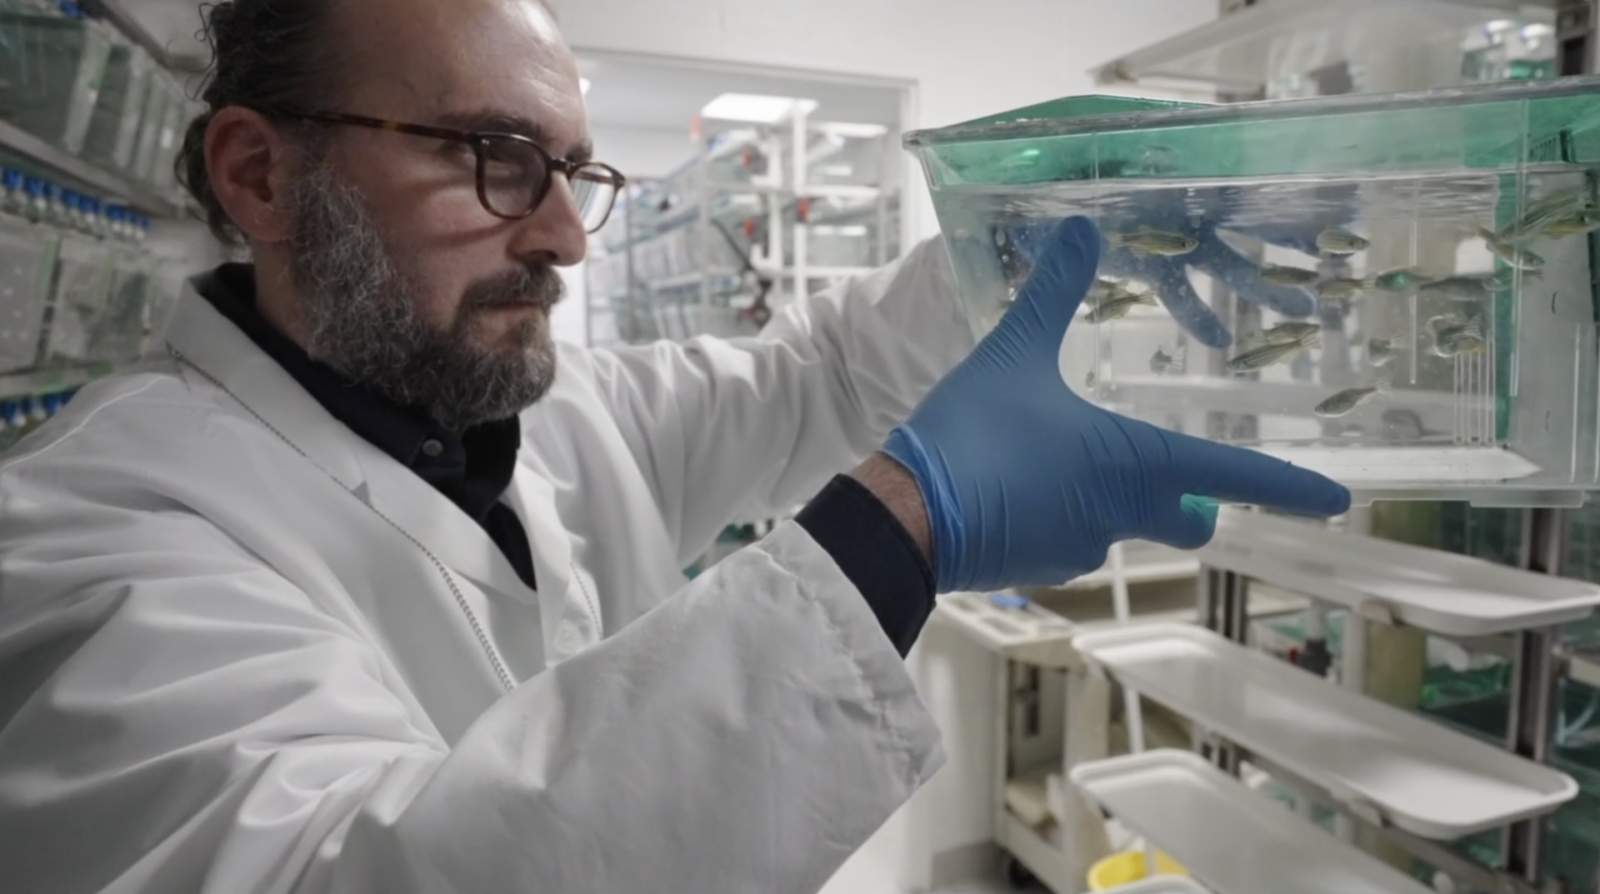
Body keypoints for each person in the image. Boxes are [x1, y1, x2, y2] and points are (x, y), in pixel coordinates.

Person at [0, 1, 1349, 892]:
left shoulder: (550, 417)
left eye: (574, 171)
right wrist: (909, 521)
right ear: (259, 175)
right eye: (494, 156)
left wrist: (1030, 236)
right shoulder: (96, 534)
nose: (568, 236)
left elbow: (810, 376)